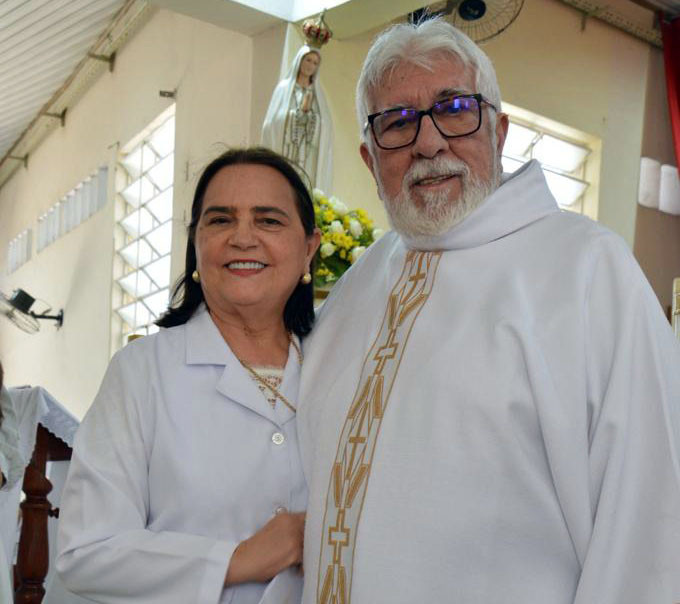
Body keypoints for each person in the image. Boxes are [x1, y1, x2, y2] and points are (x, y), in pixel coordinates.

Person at [297, 17, 680, 604]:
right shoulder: (358, 284)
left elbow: (650, 522)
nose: (428, 142)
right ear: (371, 160)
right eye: (397, 122)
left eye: (454, 109)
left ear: (498, 132)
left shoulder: (585, 271)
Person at [57, 147, 321, 604]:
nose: (243, 237)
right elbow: (87, 550)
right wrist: (235, 559)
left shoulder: (337, 363)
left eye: (269, 220)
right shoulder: (143, 371)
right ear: (196, 244)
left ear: (309, 248)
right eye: (220, 220)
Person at [262, 45, 334, 193]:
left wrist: (310, 116)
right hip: (288, 149)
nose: (310, 66)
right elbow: (272, 123)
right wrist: (297, 114)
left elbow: (325, 126)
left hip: (308, 153)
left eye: (315, 63)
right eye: (308, 60)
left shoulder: (318, 94)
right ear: (300, 60)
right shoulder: (284, 89)